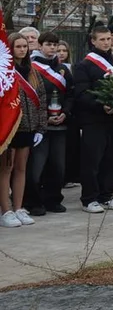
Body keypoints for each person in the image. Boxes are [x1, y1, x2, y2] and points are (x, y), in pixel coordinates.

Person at [71, 25, 113, 214]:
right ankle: (89, 199)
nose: (106, 42)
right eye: (102, 39)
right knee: (92, 161)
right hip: (94, 120)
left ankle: (107, 195)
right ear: (93, 41)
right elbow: (81, 93)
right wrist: (100, 104)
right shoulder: (84, 65)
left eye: (108, 39)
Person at [24, 31, 73, 216]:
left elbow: (70, 93)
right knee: (37, 165)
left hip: (60, 123)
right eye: (48, 44)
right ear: (40, 45)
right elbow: (31, 97)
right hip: (40, 125)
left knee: (58, 165)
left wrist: (65, 112)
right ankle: (33, 201)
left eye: (55, 44)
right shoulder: (32, 67)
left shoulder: (63, 69)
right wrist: (44, 117)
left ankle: (53, 199)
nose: (52, 48)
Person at [1, 34, 46, 228]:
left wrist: (40, 127)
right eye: (17, 46)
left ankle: (19, 207)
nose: (22, 50)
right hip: (10, 128)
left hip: (29, 127)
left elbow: (42, 99)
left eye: (24, 46)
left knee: (21, 169)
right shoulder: (5, 72)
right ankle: (6, 210)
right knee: (5, 170)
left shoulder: (33, 72)